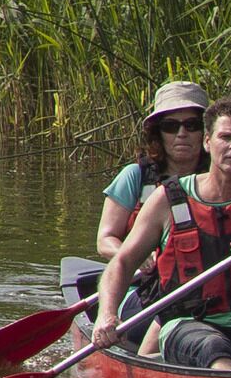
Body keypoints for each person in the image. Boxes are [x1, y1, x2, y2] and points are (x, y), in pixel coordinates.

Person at [89, 98, 231, 370]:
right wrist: (106, 314)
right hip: (189, 324)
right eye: (225, 137)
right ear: (207, 141)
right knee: (216, 351)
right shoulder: (167, 198)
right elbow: (121, 263)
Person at [89, 80, 212, 282]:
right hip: (142, 281)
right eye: (171, 126)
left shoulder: (221, 180)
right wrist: (137, 256)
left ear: (207, 133)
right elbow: (105, 240)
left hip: (200, 282)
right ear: (158, 133)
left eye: (192, 125)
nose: (182, 134)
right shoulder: (134, 176)